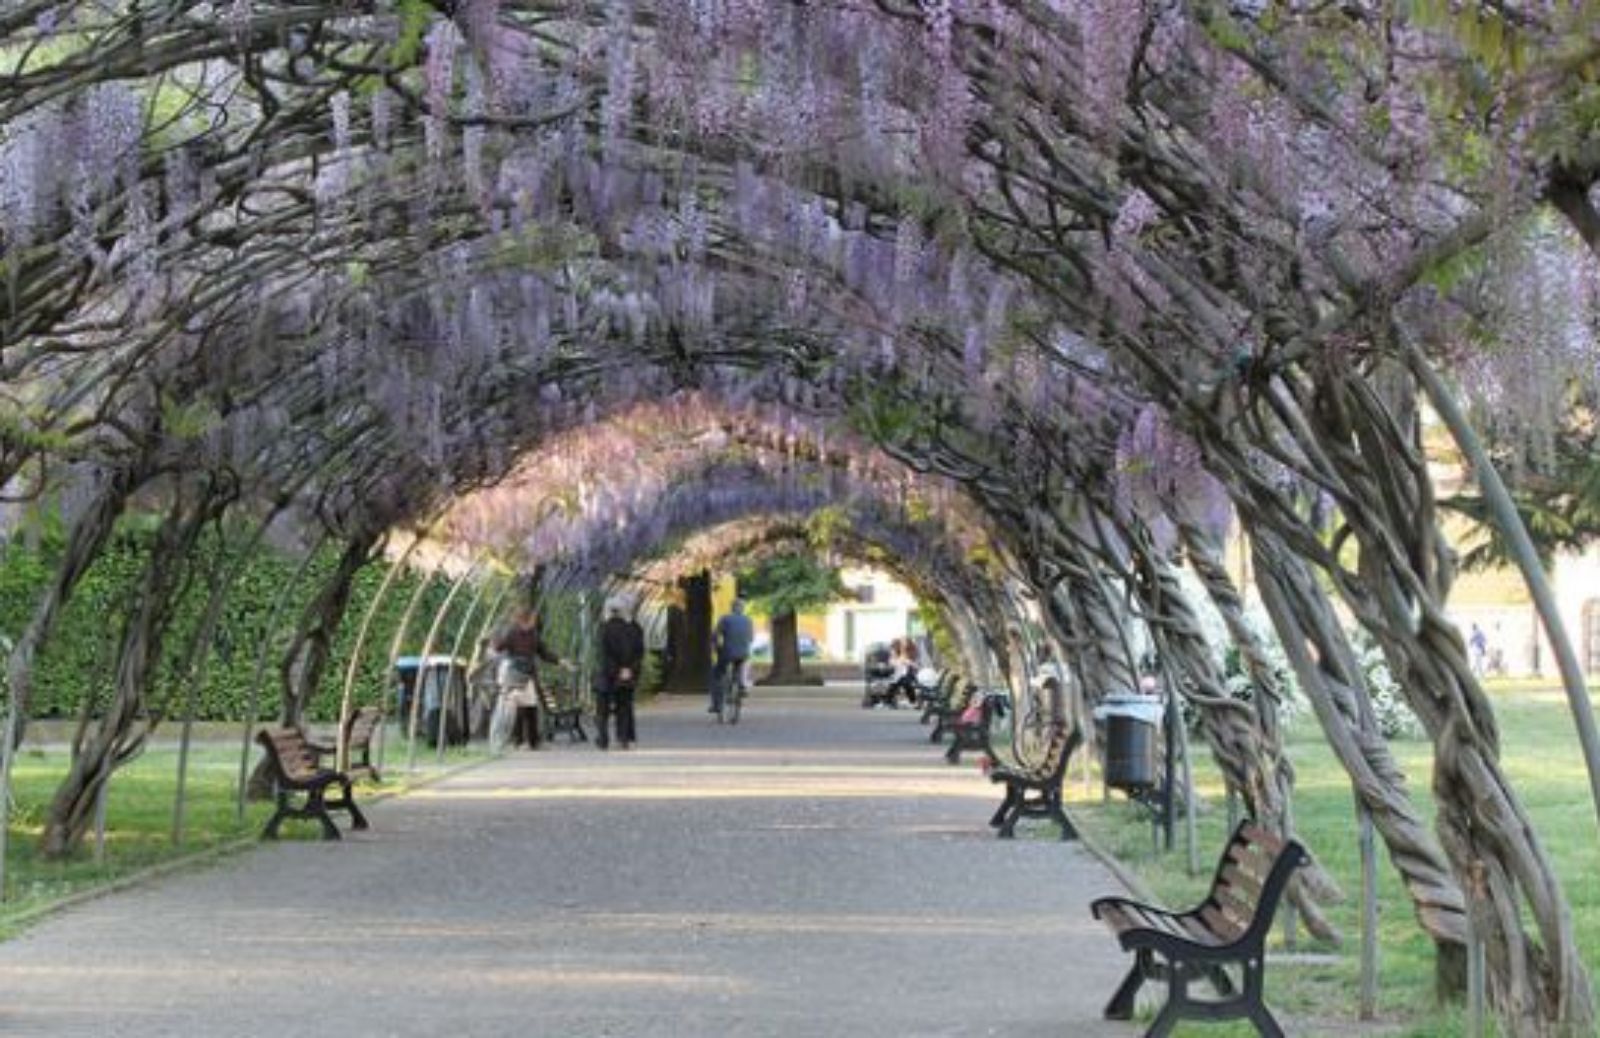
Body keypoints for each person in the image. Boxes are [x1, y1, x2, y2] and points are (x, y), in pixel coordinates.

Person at [492, 606, 571, 750]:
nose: (535, 621)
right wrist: (495, 640)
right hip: (515, 676)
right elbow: (498, 647)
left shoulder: (533, 635)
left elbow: (544, 652)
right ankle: (519, 741)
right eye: (533, 619)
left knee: (531, 707)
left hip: (528, 676)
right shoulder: (512, 633)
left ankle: (533, 741)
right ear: (525, 620)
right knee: (518, 709)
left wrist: (560, 661)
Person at [597, 596, 646, 750]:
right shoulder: (635, 628)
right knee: (624, 706)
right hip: (627, 675)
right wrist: (629, 669)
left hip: (607, 675)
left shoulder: (604, 628)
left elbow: (604, 654)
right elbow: (639, 652)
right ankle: (623, 738)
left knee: (602, 709)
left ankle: (603, 738)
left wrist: (616, 670)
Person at [710, 598, 754, 715]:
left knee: (716, 674)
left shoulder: (725, 619)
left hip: (727, 652)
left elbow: (715, 635)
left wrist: (716, 647)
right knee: (739, 666)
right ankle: (740, 685)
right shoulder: (748, 620)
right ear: (742, 609)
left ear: (732, 608)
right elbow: (750, 639)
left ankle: (715, 704)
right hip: (744, 653)